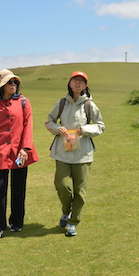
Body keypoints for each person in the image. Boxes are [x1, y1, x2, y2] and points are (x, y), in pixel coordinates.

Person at [45, 71, 105, 237]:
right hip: (62, 153)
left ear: (85, 86)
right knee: (63, 186)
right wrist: (58, 128)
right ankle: (66, 211)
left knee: (80, 191)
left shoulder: (89, 105)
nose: (78, 83)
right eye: (75, 80)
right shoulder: (62, 103)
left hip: (83, 154)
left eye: (82, 81)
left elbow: (100, 125)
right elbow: (49, 121)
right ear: (70, 83)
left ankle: (72, 222)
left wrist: (84, 130)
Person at [0, 69, 39, 241]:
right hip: (0, 152)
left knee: (18, 187)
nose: (13, 85)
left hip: (20, 151)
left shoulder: (23, 102)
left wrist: (25, 148)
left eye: (15, 82)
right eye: (9, 82)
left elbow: (28, 126)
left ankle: (17, 222)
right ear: (2, 86)